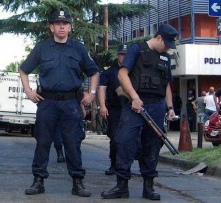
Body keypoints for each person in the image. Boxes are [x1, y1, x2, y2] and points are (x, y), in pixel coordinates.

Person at [19, 9, 99, 197]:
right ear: (52, 27)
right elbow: (24, 70)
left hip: (71, 103)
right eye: (57, 23)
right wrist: (28, 91)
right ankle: (38, 181)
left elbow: (94, 72)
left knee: (73, 143)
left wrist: (93, 93)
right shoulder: (42, 47)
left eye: (65, 24)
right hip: (47, 103)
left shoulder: (78, 48)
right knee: (43, 141)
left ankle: (77, 183)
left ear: (70, 27)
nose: (61, 26)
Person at [101, 24, 178, 200]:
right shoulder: (137, 50)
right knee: (124, 142)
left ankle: (148, 187)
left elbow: (166, 85)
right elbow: (122, 74)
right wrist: (134, 97)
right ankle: (121, 186)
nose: (167, 47)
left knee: (152, 146)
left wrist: (170, 107)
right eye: (166, 43)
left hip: (156, 105)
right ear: (158, 38)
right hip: (134, 105)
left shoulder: (165, 58)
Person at [98, 44, 127, 176]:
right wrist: (102, 106)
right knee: (115, 138)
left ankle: (125, 165)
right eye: (122, 54)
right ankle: (113, 164)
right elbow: (102, 89)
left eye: (126, 54)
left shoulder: (133, 70)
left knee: (128, 138)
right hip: (114, 109)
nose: (124, 57)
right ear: (117, 56)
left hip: (130, 109)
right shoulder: (109, 72)